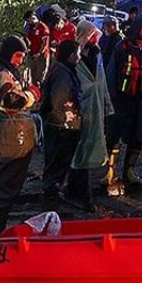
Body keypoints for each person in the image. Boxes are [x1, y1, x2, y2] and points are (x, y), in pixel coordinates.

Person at [0, 35, 42, 238]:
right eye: (17, 56)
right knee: (5, 191)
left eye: (22, 56)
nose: (20, 60)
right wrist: (32, 94)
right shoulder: (2, 74)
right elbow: (12, 100)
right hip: (12, 136)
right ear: (8, 53)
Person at [105, 14, 142, 188]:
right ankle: (110, 170)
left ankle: (129, 170)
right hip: (123, 99)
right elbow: (112, 72)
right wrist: (110, 96)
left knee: (138, 137)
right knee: (114, 135)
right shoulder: (122, 47)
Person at [65, 21, 114, 208]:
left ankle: (81, 191)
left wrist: (107, 106)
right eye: (92, 35)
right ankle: (80, 192)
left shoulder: (97, 54)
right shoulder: (74, 57)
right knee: (79, 148)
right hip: (81, 108)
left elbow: (101, 83)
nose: (95, 38)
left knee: (89, 147)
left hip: (96, 108)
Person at [40, 40, 83, 207]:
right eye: (77, 54)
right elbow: (60, 100)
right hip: (61, 127)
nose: (79, 58)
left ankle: (53, 195)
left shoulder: (61, 70)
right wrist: (66, 120)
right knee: (57, 163)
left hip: (60, 124)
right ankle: (51, 199)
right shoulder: (62, 74)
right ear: (71, 55)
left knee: (57, 164)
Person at [23, 9, 52, 86]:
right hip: (32, 55)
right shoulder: (30, 28)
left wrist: (39, 53)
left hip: (41, 56)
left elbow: (45, 43)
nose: (28, 23)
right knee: (32, 77)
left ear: (33, 18)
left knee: (40, 78)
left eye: (29, 21)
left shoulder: (43, 28)